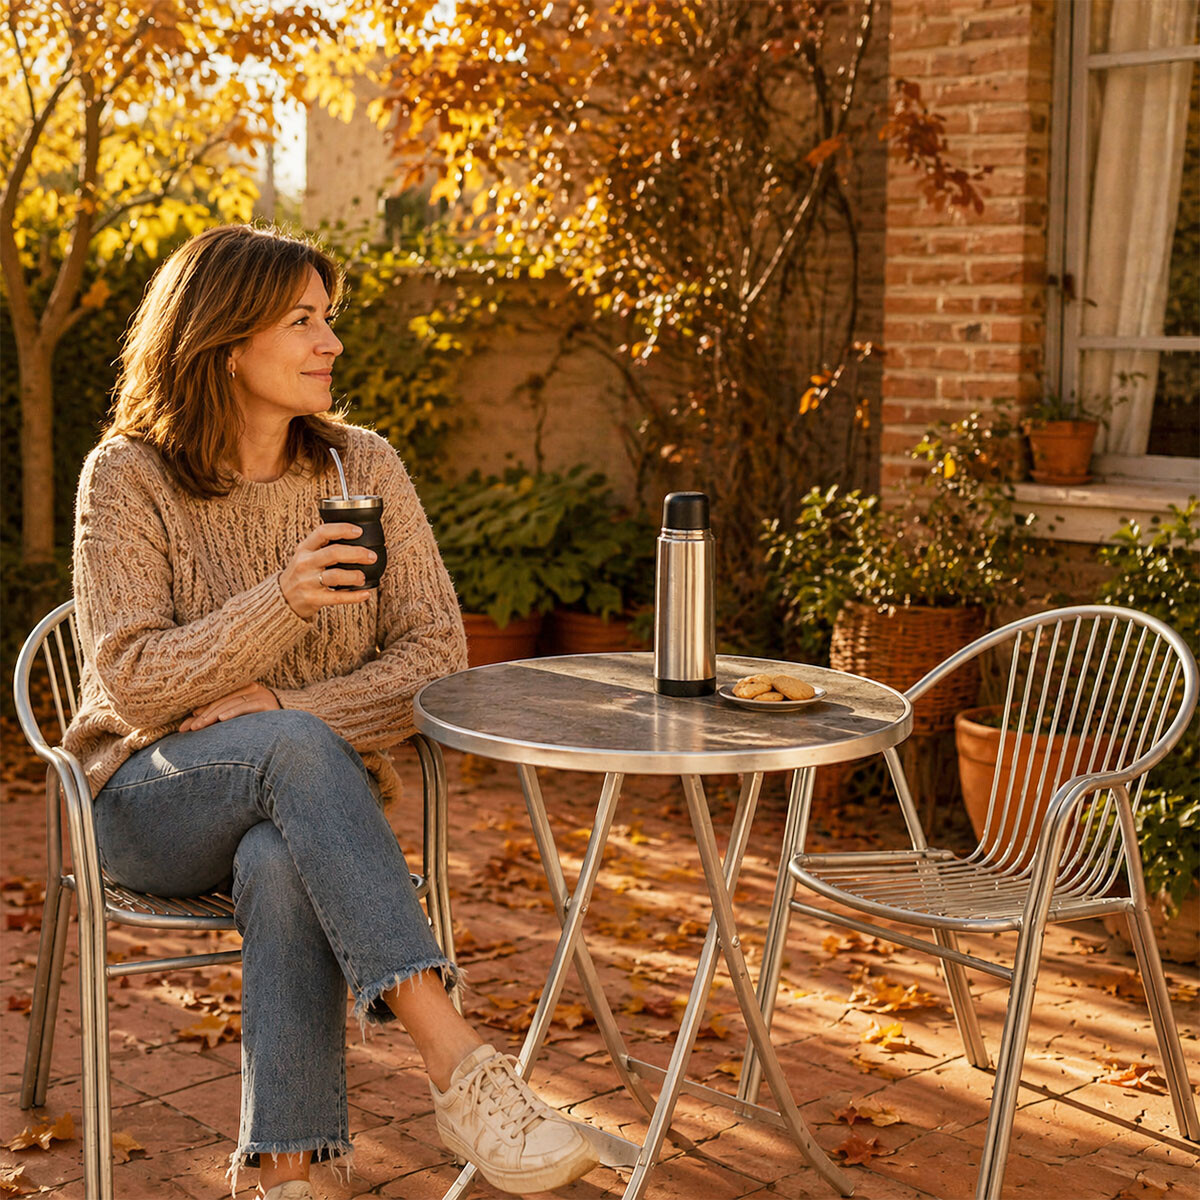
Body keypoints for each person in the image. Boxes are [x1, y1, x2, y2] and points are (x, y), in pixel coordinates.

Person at [63, 224, 598, 1200]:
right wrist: (286, 600)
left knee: (281, 851)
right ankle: (462, 1071)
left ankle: (290, 1174)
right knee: (296, 753)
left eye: (330, 319)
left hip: (303, 805)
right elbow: (136, 683)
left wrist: (277, 702)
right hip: (146, 801)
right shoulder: (128, 476)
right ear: (225, 343)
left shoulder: (361, 468)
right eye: (303, 320)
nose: (332, 343)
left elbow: (433, 657)